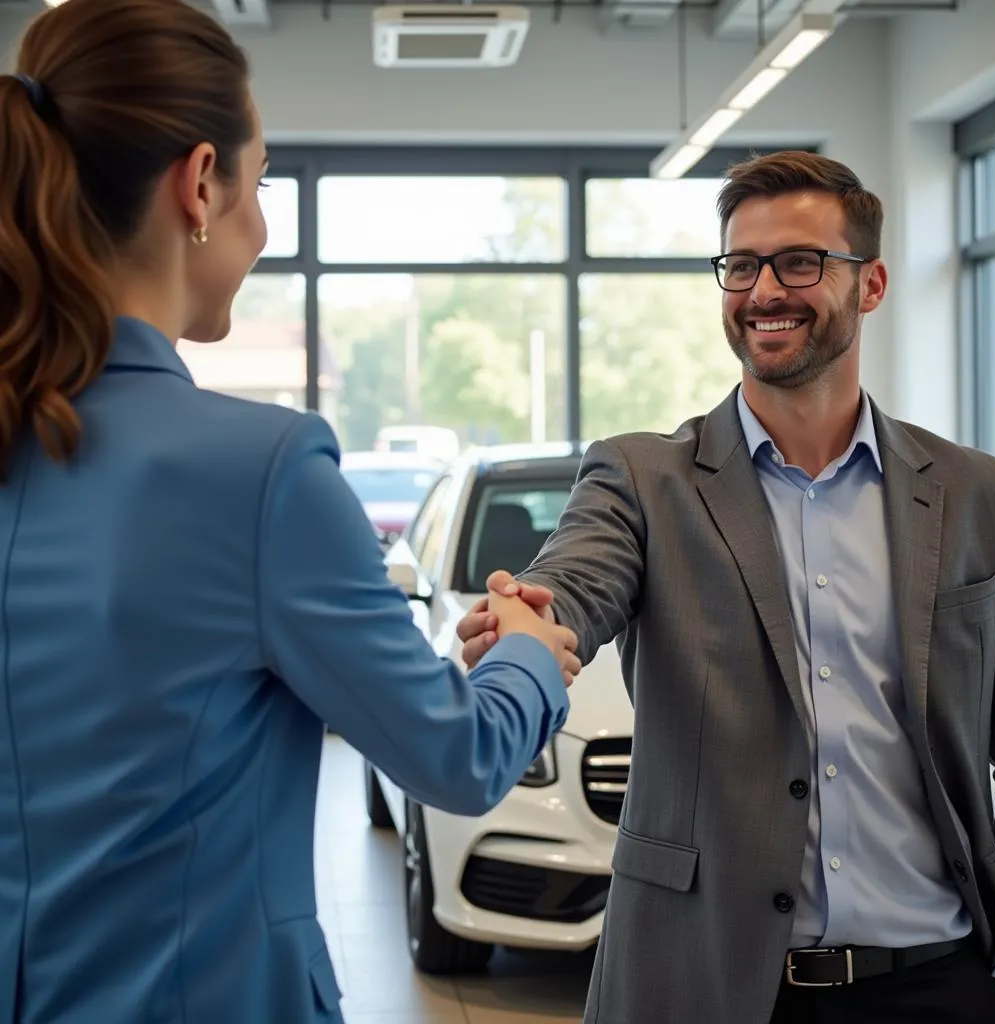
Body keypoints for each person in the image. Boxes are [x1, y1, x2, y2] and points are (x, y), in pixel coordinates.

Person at [0, 1, 583, 1021]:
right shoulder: (259, 471)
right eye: (259, 182)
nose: (261, 223)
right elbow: (457, 756)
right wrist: (530, 650)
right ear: (198, 185)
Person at [458, 150, 995, 1024]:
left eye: (800, 262)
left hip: (938, 981)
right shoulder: (643, 479)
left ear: (869, 285)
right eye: (741, 265)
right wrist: (534, 620)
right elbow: (574, 580)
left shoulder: (977, 492)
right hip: (707, 983)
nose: (764, 290)